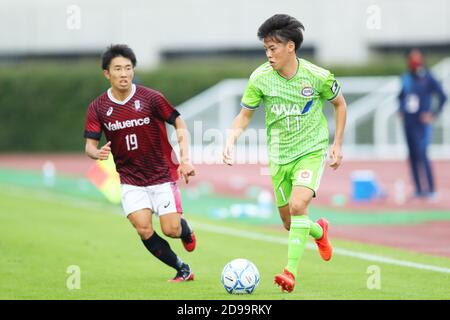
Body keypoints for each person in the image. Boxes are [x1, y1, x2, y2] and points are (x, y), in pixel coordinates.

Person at [223, 14, 347, 293]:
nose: (268, 54)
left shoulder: (317, 76)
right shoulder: (260, 78)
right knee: (290, 222)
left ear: (290, 47)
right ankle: (319, 230)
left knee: (299, 204)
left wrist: (337, 144)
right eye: (265, 49)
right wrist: (230, 139)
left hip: (311, 151)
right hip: (279, 157)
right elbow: (244, 116)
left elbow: (340, 104)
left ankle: (290, 272)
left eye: (273, 48)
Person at [84, 44, 196, 282]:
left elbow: (179, 123)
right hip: (130, 180)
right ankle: (182, 268)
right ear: (107, 73)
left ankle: (185, 230)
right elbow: (89, 146)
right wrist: (97, 154)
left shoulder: (151, 98)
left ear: (133, 70)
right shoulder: (98, 107)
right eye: (118, 69)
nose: (124, 73)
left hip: (162, 174)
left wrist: (185, 159)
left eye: (128, 68)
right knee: (144, 228)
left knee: (171, 229)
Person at [398, 49, 447, 199]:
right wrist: (400, 109)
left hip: (422, 123)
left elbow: (443, 96)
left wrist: (433, 114)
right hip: (409, 122)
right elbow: (401, 97)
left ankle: (431, 189)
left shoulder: (428, 77)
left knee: (423, 153)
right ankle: (419, 189)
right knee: (412, 155)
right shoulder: (405, 78)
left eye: (417, 58)